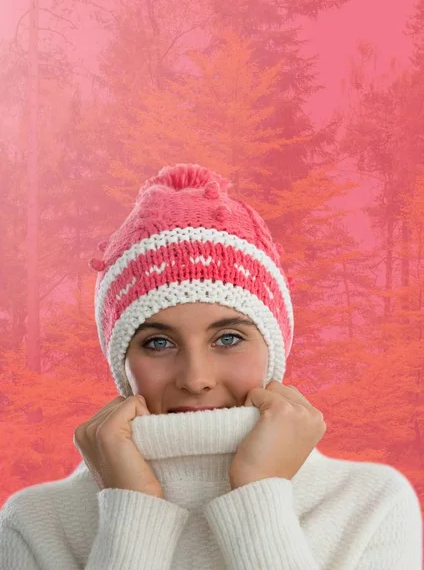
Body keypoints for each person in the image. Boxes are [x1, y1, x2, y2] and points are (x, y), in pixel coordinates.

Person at [0, 163, 422, 569]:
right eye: (159, 342)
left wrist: (259, 495)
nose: (196, 378)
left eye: (228, 338)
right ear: (121, 363)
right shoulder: (37, 522)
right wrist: (131, 511)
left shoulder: (371, 505)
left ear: (274, 348)